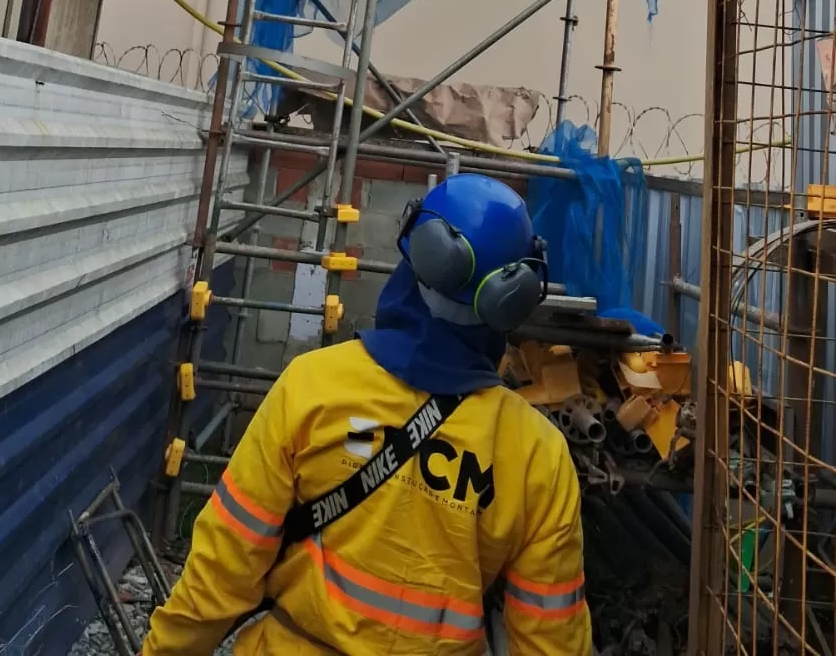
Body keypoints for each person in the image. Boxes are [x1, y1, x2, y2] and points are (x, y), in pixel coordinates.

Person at [142, 175, 591, 656]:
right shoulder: (537, 456)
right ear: (516, 294)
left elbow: (223, 565)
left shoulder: (313, 386)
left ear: (419, 249)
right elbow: (552, 640)